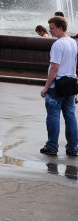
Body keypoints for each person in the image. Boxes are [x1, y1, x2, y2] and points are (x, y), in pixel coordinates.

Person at [39, 16, 78, 156]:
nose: (50, 31)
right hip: (71, 83)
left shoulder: (58, 44)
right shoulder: (73, 42)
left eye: (52, 28)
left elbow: (55, 67)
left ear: (60, 27)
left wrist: (46, 87)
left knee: (53, 116)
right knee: (71, 116)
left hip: (57, 85)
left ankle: (52, 147)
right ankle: (73, 148)